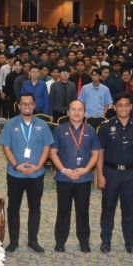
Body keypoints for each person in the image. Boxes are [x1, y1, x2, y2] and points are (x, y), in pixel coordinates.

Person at [0, 93, 53, 253]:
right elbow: (6, 148)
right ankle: (13, 241)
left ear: (34, 105)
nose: (27, 106)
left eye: (30, 103)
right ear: (19, 106)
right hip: (15, 174)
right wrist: (16, 165)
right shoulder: (10, 124)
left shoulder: (43, 125)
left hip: (36, 174)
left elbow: (46, 147)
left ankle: (33, 240)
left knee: (35, 207)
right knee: (13, 208)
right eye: (24, 104)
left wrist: (38, 166)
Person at [96, 94, 133, 254]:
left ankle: (129, 242)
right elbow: (100, 152)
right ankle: (106, 241)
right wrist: (99, 174)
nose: (123, 108)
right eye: (120, 105)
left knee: (129, 210)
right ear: (114, 107)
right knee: (108, 209)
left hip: (131, 174)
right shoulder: (105, 127)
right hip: (110, 173)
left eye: (127, 105)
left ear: (131, 107)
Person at [50, 100, 100, 253]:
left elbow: (95, 153)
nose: (76, 112)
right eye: (73, 109)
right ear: (68, 112)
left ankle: (84, 241)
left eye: (80, 110)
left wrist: (85, 170)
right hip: (64, 178)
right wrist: (64, 170)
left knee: (83, 211)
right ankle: (60, 241)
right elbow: (53, 153)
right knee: (63, 210)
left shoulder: (91, 130)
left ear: (84, 112)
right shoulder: (59, 130)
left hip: (83, 178)